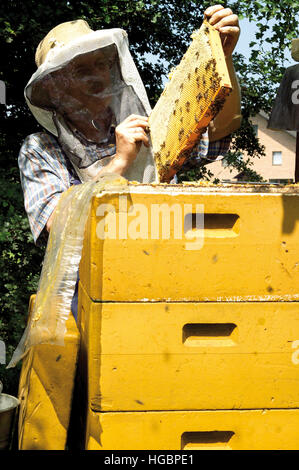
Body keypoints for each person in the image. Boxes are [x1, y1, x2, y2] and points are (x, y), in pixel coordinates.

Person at [18, 5, 241, 318]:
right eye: (81, 70)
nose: (96, 76)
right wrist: (119, 163)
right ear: (55, 88)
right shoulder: (40, 148)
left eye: (100, 65)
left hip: (166, 279)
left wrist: (224, 57)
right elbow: (56, 226)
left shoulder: (148, 125)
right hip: (90, 298)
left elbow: (218, 138)